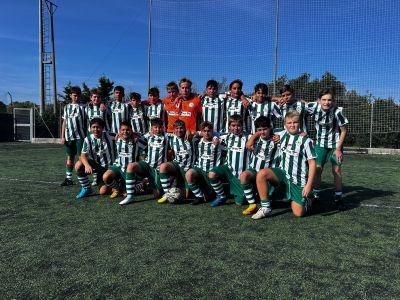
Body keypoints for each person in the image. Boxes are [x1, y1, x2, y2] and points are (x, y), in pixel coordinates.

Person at [253, 111, 316, 219]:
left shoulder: (306, 141)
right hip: (282, 174)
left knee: (298, 213)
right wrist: (251, 141)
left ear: (299, 123)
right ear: (285, 124)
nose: (292, 125)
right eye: (289, 123)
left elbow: (312, 163)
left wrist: (309, 185)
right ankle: (265, 208)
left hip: (298, 180)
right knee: (262, 173)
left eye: (295, 122)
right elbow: (265, 130)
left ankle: (308, 199)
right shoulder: (281, 135)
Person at [308, 88, 348, 210]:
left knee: (336, 171)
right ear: (318, 100)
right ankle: (316, 195)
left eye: (329, 100)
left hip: (335, 146)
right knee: (317, 169)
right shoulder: (313, 107)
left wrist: (338, 149)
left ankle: (338, 198)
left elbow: (344, 130)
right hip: (320, 144)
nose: (326, 102)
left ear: (333, 101)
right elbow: (299, 104)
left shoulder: (337, 112)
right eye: (324, 99)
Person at [118, 118, 170, 205]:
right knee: (131, 166)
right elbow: (134, 135)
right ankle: (130, 197)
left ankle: (144, 184)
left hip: (157, 169)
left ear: (163, 127)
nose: (158, 129)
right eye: (155, 127)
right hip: (147, 165)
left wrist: (191, 132)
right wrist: (132, 134)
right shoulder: (147, 135)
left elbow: (179, 135)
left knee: (157, 195)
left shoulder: (167, 136)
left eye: (160, 127)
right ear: (151, 128)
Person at [208, 114, 251, 207]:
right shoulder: (226, 137)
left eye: (238, 125)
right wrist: (215, 139)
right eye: (233, 125)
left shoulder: (248, 137)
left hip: (241, 174)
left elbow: (259, 136)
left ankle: (243, 192)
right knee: (212, 174)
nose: (236, 128)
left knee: (239, 203)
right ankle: (221, 196)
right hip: (228, 169)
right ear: (229, 126)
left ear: (242, 126)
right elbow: (215, 135)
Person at [240, 116, 280, 215]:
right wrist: (253, 137)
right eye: (259, 130)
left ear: (270, 128)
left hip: (270, 173)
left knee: (276, 201)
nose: (262, 132)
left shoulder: (277, 138)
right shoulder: (254, 139)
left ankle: (269, 199)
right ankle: (252, 204)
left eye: (265, 129)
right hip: (255, 170)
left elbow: (291, 132)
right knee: (244, 175)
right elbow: (248, 144)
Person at [102, 121, 146, 199]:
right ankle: (117, 189)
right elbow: (104, 133)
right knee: (106, 177)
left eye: (127, 130)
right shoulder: (116, 138)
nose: (125, 132)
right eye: (123, 130)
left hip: (130, 170)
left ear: (131, 130)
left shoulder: (136, 139)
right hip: (118, 166)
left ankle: (143, 183)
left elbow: (147, 141)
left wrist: (135, 135)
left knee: (126, 194)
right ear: (119, 130)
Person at [74, 118, 115, 199]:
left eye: (98, 127)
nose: (96, 129)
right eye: (93, 127)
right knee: (78, 164)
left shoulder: (110, 135)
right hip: (97, 167)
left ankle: (117, 185)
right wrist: (87, 165)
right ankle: (86, 188)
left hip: (110, 168)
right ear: (90, 128)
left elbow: (123, 133)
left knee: (103, 191)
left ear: (102, 128)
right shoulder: (88, 139)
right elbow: (83, 155)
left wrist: (134, 134)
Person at [157, 120, 196, 204]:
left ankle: (177, 190)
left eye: (181, 128)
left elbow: (200, 133)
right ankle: (167, 193)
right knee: (163, 166)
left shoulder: (191, 137)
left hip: (188, 168)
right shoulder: (170, 137)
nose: (179, 130)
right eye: (177, 128)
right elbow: (156, 132)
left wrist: (190, 132)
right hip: (177, 165)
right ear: (174, 130)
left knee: (185, 196)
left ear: (185, 129)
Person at [185, 121, 222, 205]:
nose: (207, 133)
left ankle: (217, 194)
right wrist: (188, 131)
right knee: (189, 174)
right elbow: (189, 134)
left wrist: (216, 137)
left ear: (212, 131)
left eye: (209, 131)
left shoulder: (219, 140)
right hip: (200, 170)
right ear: (201, 132)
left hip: (212, 171)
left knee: (210, 193)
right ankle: (199, 196)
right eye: (204, 131)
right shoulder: (198, 140)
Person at [60, 86, 87, 186]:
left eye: (78, 95)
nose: (76, 97)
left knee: (81, 158)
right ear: (70, 96)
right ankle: (68, 178)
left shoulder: (83, 107)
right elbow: (64, 122)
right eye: (74, 95)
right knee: (70, 158)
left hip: (80, 137)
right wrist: (62, 136)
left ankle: (82, 178)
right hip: (68, 137)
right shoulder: (66, 107)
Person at [85, 88, 108, 186]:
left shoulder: (105, 107)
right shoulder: (87, 108)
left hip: (103, 136)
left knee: (103, 155)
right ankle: (96, 178)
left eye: (98, 97)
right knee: (93, 155)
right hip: (91, 136)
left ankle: (106, 174)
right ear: (91, 98)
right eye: (94, 97)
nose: (96, 99)